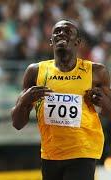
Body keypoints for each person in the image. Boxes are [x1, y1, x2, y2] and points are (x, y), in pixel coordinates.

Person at [11, 19, 111, 180]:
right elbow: (17, 124)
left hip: (83, 151)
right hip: (51, 153)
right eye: (57, 32)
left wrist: (103, 102)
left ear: (77, 42)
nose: (61, 34)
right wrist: (24, 101)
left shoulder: (96, 71)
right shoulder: (35, 72)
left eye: (67, 31)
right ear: (51, 41)